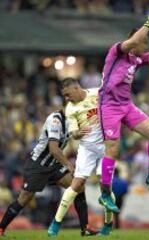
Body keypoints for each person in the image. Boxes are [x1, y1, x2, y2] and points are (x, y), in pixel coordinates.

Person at [97, 7, 149, 213]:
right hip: (108, 106)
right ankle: (105, 193)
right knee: (112, 148)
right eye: (144, 42)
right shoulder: (117, 51)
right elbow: (133, 41)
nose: (146, 46)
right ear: (134, 41)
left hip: (126, 105)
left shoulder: (138, 59)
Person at [0, 110, 96, 237]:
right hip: (38, 165)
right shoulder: (55, 120)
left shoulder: (71, 121)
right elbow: (53, 149)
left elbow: (73, 135)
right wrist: (68, 164)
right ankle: (0, 229)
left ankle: (85, 228)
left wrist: (80, 134)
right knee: (24, 199)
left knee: (78, 186)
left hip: (54, 165)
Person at [48, 78, 114, 236]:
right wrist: (79, 132)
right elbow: (73, 134)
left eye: (68, 94)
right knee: (76, 184)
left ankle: (108, 225)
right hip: (87, 149)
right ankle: (56, 222)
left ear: (77, 88)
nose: (67, 98)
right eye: (64, 96)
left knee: (106, 187)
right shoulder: (70, 108)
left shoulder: (97, 93)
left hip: (105, 148)